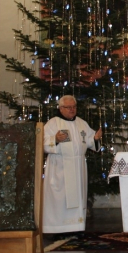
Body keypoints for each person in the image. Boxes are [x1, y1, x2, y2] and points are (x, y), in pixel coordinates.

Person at [43, 95, 102, 235]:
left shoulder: (81, 123)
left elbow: (89, 141)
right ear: (60, 108)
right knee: (60, 199)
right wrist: (55, 139)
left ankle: (76, 228)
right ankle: (57, 229)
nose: (72, 110)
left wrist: (95, 139)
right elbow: (43, 143)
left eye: (74, 107)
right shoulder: (53, 123)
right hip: (60, 167)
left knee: (78, 197)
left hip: (78, 166)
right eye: (68, 107)